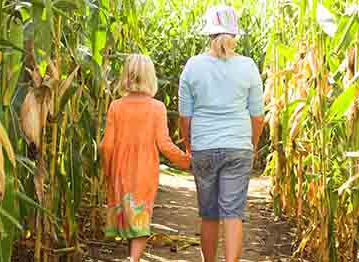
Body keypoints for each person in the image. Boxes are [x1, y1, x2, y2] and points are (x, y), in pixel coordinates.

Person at [178, 5, 265, 262]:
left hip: (204, 146)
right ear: (235, 34)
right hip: (238, 146)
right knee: (232, 213)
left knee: (209, 213)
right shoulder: (248, 66)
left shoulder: (192, 67)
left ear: (208, 34)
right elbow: (257, 116)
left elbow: (185, 116)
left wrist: (189, 147)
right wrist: (252, 143)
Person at [100, 54, 191, 262]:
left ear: (126, 76)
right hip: (144, 171)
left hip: (120, 170)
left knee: (128, 215)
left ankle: (133, 257)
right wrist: (186, 160)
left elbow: (106, 145)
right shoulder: (156, 107)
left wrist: (107, 169)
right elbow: (164, 144)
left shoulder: (116, 106)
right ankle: (134, 259)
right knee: (141, 218)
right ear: (151, 77)